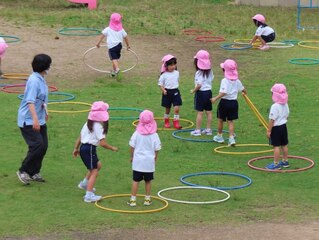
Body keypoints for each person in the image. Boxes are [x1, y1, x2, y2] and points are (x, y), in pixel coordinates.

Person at [73, 101, 118, 203]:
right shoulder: (98, 126)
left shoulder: (88, 124)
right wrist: (112, 148)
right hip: (89, 149)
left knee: (98, 165)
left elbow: (80, 137)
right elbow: (103, 143)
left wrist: (76, 148)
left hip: (84, 148)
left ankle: (85, 183)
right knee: (94, 171)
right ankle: (88, 196)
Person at [16, 54, 52, 185]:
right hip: (28, 119)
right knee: (37, 144)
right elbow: (30, 101)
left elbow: (41, 98)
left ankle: (34, 171)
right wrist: (35, 120)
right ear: (45, 66)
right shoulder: (34, 81)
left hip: (39, 117)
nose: (50, 67)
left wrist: (45, 112)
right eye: (49, 65)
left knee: (44, 145)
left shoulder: (41, 78)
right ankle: (23, 170)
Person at [127, 110, 161, 207]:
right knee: (148, 180)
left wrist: (132, 156)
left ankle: (133, 200)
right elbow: (157, 148)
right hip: (149, 162)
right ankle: (147, 199)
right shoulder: (154, 135)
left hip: (138, 162)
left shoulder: (137, 133)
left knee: (135, 180)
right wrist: (155, 158)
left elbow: (132, 146)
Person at [211, 59, 246, 146]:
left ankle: (219, 136)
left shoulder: (224, 81)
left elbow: (224, 92)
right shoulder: (237, 81)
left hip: (224, 103)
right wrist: (244, 92)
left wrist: (215, 98)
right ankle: (231, 138)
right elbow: (243, 89)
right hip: (234, 103)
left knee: (220, 120)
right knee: (230, 121)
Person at [96, 12, 131, 78]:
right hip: (119, 46)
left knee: (114, 59)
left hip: (112, 47)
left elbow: (102, 36)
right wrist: (128, 45)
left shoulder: (108, 29)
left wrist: (98, 44)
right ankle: (114, 72)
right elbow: (126, 37)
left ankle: (117, 70)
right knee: (115, 59)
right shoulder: (121, 30)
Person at [190, 50, 214, 136]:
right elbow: (211, 79)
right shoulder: (210, 71)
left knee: (200, 112)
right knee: (209, 112)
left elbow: (199, 85)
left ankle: (198, 130)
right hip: (209, 93)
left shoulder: (199, 73)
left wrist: (193, 90)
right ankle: (208, 129)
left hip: (201, 94)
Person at [266, 83, 289, 170]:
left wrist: (269, 131)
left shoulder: (275, 106)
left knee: (276, 146)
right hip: (284, 127)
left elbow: (272, 120)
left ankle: (276, 164)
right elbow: (287, 115)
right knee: (284, 144)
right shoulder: (285, 104)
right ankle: (285, 161)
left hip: (276, 128)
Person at [158, 54, 182, 129]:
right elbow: (160, 84)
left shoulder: (177, 73)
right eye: (170, 65)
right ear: (166, 66)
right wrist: (163, 90)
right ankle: (166, 121)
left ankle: (176, 122)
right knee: (167, 109)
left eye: (174, 64)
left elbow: (176, 81)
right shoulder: (164, 75)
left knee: (176, 108)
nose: (173, 66)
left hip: (175, 92)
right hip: (167, 93)